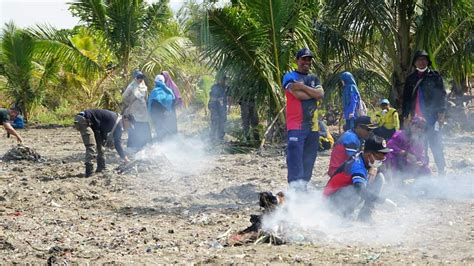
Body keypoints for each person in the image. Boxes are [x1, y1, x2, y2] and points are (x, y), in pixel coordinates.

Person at [282, 48, 324, 190]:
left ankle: (303, 188)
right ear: (297, 60)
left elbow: (320, 94)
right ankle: (294, 189)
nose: (306, 62)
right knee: (295, 158)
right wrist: (313, 93)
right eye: (303, 59)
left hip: (313, 127)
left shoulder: (314, 78)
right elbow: (298, 96)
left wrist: (302, 86)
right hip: (296, 126)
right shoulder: (289, 76)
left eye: (309, 59)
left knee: (309, 160)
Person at [323, 135, 393, 222]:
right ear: (369, 154)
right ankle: (343, 216)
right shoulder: (357, 166)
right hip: (331, 201)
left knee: (379, 178)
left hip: (341, 194)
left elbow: (377, 169)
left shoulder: (364, 158)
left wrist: (374, 168)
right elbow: (360, 190)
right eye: (379, 157)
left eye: (384, 156)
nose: (382, 159)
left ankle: (365, 215)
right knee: (356, 189)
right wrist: (382, 201)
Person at [402, 50, 447, 175]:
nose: (421, 62)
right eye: (418, 60)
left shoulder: (435, 76)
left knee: (436, 144)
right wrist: (405, 115)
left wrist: (441, 113)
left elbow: (441, 96)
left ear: (427, 61)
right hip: (416, 120)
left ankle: (441, 170)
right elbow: (406, 98)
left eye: (424, 59)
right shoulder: (411, 79)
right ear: (415, 62)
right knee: (420, 146)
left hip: (432, 117)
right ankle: (424, 171)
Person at [74, 109, 129, 177]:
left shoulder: (115, 119)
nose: (128, 127)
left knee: (100, 144)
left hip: (92, 124)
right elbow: (118, 143)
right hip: (83, 120)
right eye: (129, 125)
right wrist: (124, 157)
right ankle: (89, 171)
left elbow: (102, 130)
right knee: (91, 145)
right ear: (126, 119)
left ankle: (101, 167)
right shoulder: (117, 122)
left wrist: (106, 141)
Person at [384, 116, 430, 181]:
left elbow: (422, 155)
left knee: (426, 170)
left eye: (421, 128)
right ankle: (395, 180)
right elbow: (390, 145)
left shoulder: (420, 142)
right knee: (389, 155)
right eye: (417, 126)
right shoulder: (400, 134)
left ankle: (419, 186)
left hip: (409, 165)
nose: (419, 129)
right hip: (396, 161)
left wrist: (421, 162)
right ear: (411, 125)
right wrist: (405, 154)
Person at [122, 71, 151, 150]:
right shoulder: (131, 86)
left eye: (141, 77)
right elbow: (124, 97)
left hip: (143, 111)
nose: (140, 79)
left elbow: (146, 97)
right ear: (135, 78)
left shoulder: (144, 86)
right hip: (134, 111)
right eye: (138, 77)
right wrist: (129, 104)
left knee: (144, 127)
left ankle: (144, 145)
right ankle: (133, 146)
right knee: (135, 128)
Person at [148, 74, 176, 142]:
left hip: (158, 115)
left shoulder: (155, 92)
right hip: (168, 114)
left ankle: (162, 144)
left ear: (155, 82)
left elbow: (152, 104)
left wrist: (151, 115)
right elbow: (173, 101)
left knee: (160, 130)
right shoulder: (169, 91)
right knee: (167, 130)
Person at [208, 74, 229, 141]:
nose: (223, 81)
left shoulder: (227, 87)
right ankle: (212, 138)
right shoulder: (215, 87)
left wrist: (229, 107)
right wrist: (218, 99)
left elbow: (229, 97)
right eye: (222, 79)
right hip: (214, 107)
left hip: (223, 108)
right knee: (215, 121)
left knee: (222, 122)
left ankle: (220, 138)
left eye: (224, 79)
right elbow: (211, 98)